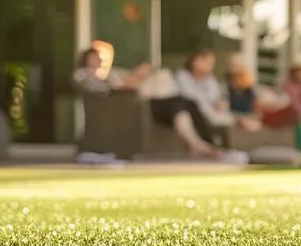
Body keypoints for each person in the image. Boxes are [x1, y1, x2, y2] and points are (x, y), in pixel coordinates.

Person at [73, 41, 234, 161]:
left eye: (98, 58)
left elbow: (126, 81)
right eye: (93, 57)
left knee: (184, 102)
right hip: (131, 103)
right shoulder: (82, 74)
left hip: (145, 100)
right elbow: (115, 89)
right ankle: (204, 145)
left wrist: (137, 75)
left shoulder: (112, 73)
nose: (98, 61)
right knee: (176, 96)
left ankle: (203, 145)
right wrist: (135, 78)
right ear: (86, 60)